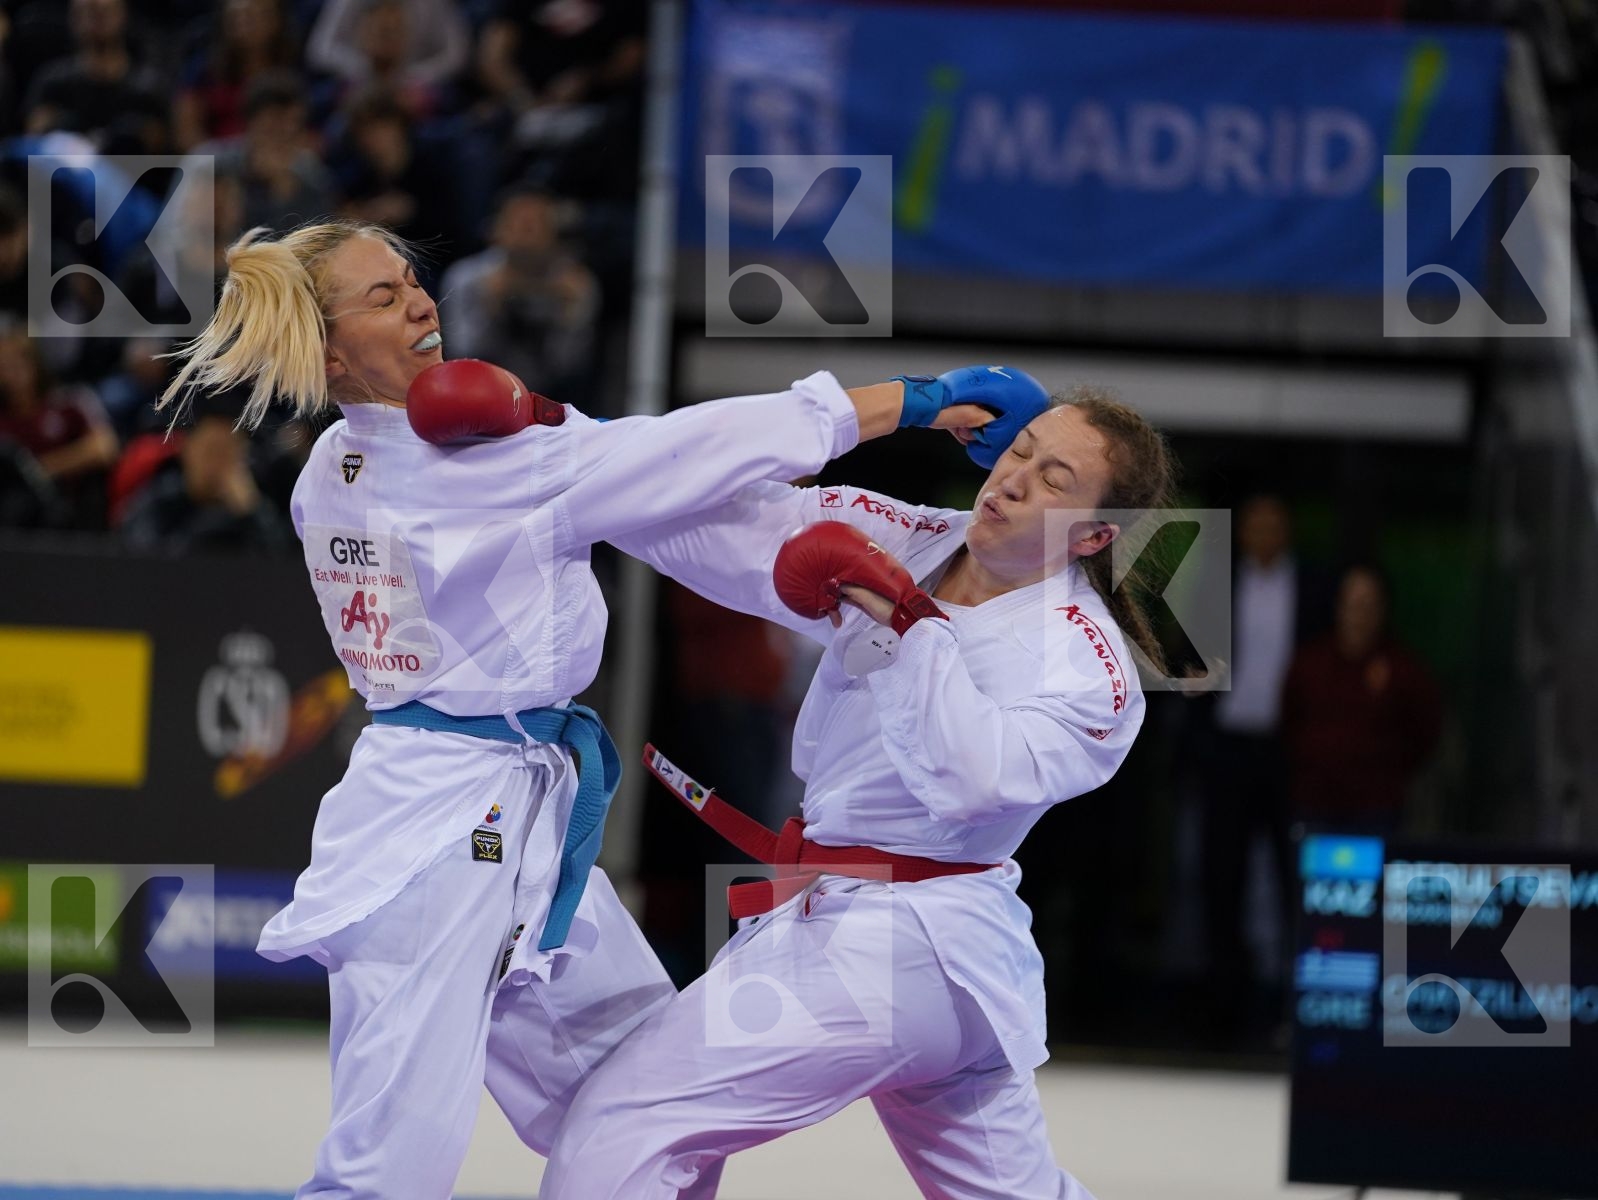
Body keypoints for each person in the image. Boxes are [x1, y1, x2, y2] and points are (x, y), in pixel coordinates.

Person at [155, 217, 1000, 1200]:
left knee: (650, 1117)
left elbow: (630, 480)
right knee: (386, 1171)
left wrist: (544, 426)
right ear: (331, 352)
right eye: (383, 297)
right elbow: (691, 451)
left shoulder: (330, 470)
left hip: (515, 815)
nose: (421, 301)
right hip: (435, 840)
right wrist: (912, 400)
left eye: (412, 279)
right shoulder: (489, 463)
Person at [542, 380, 1177, 1199]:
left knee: (626, 1122)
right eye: (1020, 451)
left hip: (909, 943)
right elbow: (716, 521)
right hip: (893, 943)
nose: (1015, 481)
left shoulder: (1089, 665)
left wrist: (905, 619)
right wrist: (561, 440)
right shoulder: (913, 537)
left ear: (1094, 535)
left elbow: (970, 781)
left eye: (1054, 479)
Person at [1280, 562, 1443, 834]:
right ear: (1338, 606)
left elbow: (1425, 729)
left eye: (1368, 605)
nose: (1359, 615)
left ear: (1383, 609)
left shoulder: (1403, 669)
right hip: (1314, 803)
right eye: (1353, 603)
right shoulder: (1310, 663)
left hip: (1376, 808)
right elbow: (1290, 720)